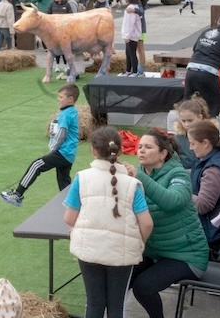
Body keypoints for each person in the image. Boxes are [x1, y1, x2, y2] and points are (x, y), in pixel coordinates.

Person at [64, 127, 153, 318]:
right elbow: (146, 224)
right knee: (116, 306)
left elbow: (69, 218)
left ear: (93, 151)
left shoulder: (82, 178)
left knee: (94, 304)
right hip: (122, 254)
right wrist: (139, 242)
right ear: (120, 151)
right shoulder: (132, 184)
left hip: (89, 252)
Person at [128, 128, 209, 318]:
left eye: (148, 147)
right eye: (140, 147)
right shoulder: (140, 173)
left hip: (187, 256)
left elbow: (172, 202)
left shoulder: (178, 175)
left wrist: (140, 179)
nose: (141, 150)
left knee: (143, 287)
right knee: (118, 275)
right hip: (155, 252)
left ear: (163, 153)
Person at [0, 84, 81, 207]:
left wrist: (53, 147)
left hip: (63, 152)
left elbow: (62, 134)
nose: (58, 99)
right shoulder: (71, 111)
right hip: (69, 154)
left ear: (70, 99)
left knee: (36, 165)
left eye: (60, 97)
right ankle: (73, 206)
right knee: (64, 183)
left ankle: (17, 194)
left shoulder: (66, 114)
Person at [186, 119, 220, 258]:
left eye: (192, 143)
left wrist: (182, 191)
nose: (190, 148)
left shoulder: (214, 170)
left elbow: (203, 205)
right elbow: (197, 174)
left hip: (215, 232)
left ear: (205, 143)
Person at [171, 95, 213, 170]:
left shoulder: (211, 135)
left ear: (200, 117)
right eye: (183, 121)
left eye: (190, 120)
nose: (186, 124)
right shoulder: (178, 138)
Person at [121, 0, 143, 76]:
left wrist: (127, 36)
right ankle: (128, 70)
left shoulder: (131, 9)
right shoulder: (134, 7)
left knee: (132, 53)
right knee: (128, 53)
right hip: (131, 35)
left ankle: (134, 71)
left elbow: (130, 24)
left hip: (131, 36)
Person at [48, 0, 71, 75]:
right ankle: (57, 66)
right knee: (56, 49)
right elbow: (48, 15)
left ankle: (66, 65)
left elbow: (70, 16)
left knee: (65, 49)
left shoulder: (67, 5)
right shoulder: (52, 4)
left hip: (64, 30)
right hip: (54, 30)